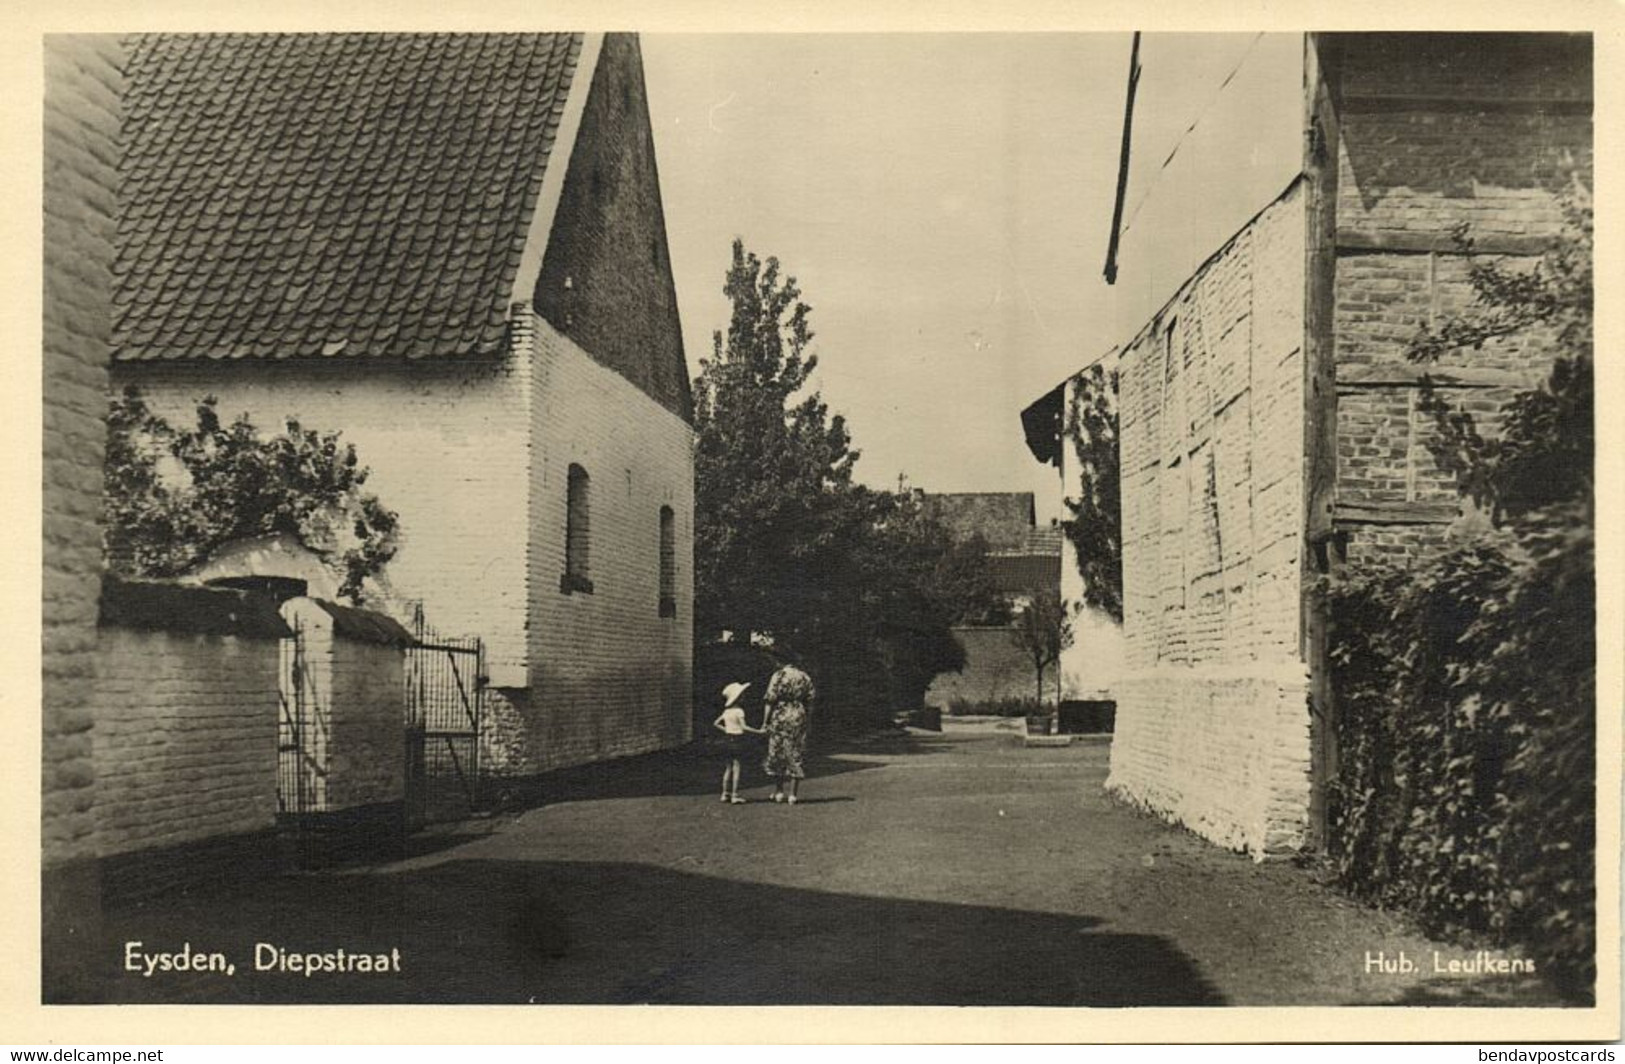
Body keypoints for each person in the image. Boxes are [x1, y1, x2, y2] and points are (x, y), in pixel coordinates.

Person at [761, 662, 814, 805]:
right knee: (795, 751)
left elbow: (770, 700)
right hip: (798, 715)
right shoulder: (804, 676)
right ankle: (793, 794)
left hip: (780, 714)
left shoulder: (778, 675)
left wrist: (765, 722)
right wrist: (808, 721)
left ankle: (779, 792)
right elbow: (810, 701)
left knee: (778, 750)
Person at [712, 682, 761, 804]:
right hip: (738, 740)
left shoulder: (727, 711)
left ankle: (724, 793)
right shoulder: (739, 711)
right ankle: (734, 794)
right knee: (737, 767)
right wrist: (759, 731)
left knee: (728, 768)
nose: (744, 697)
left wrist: (727, 730)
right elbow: (744, 727)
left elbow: (716, 723)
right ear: (738, 697)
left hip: (727, 739)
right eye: (742, 695)